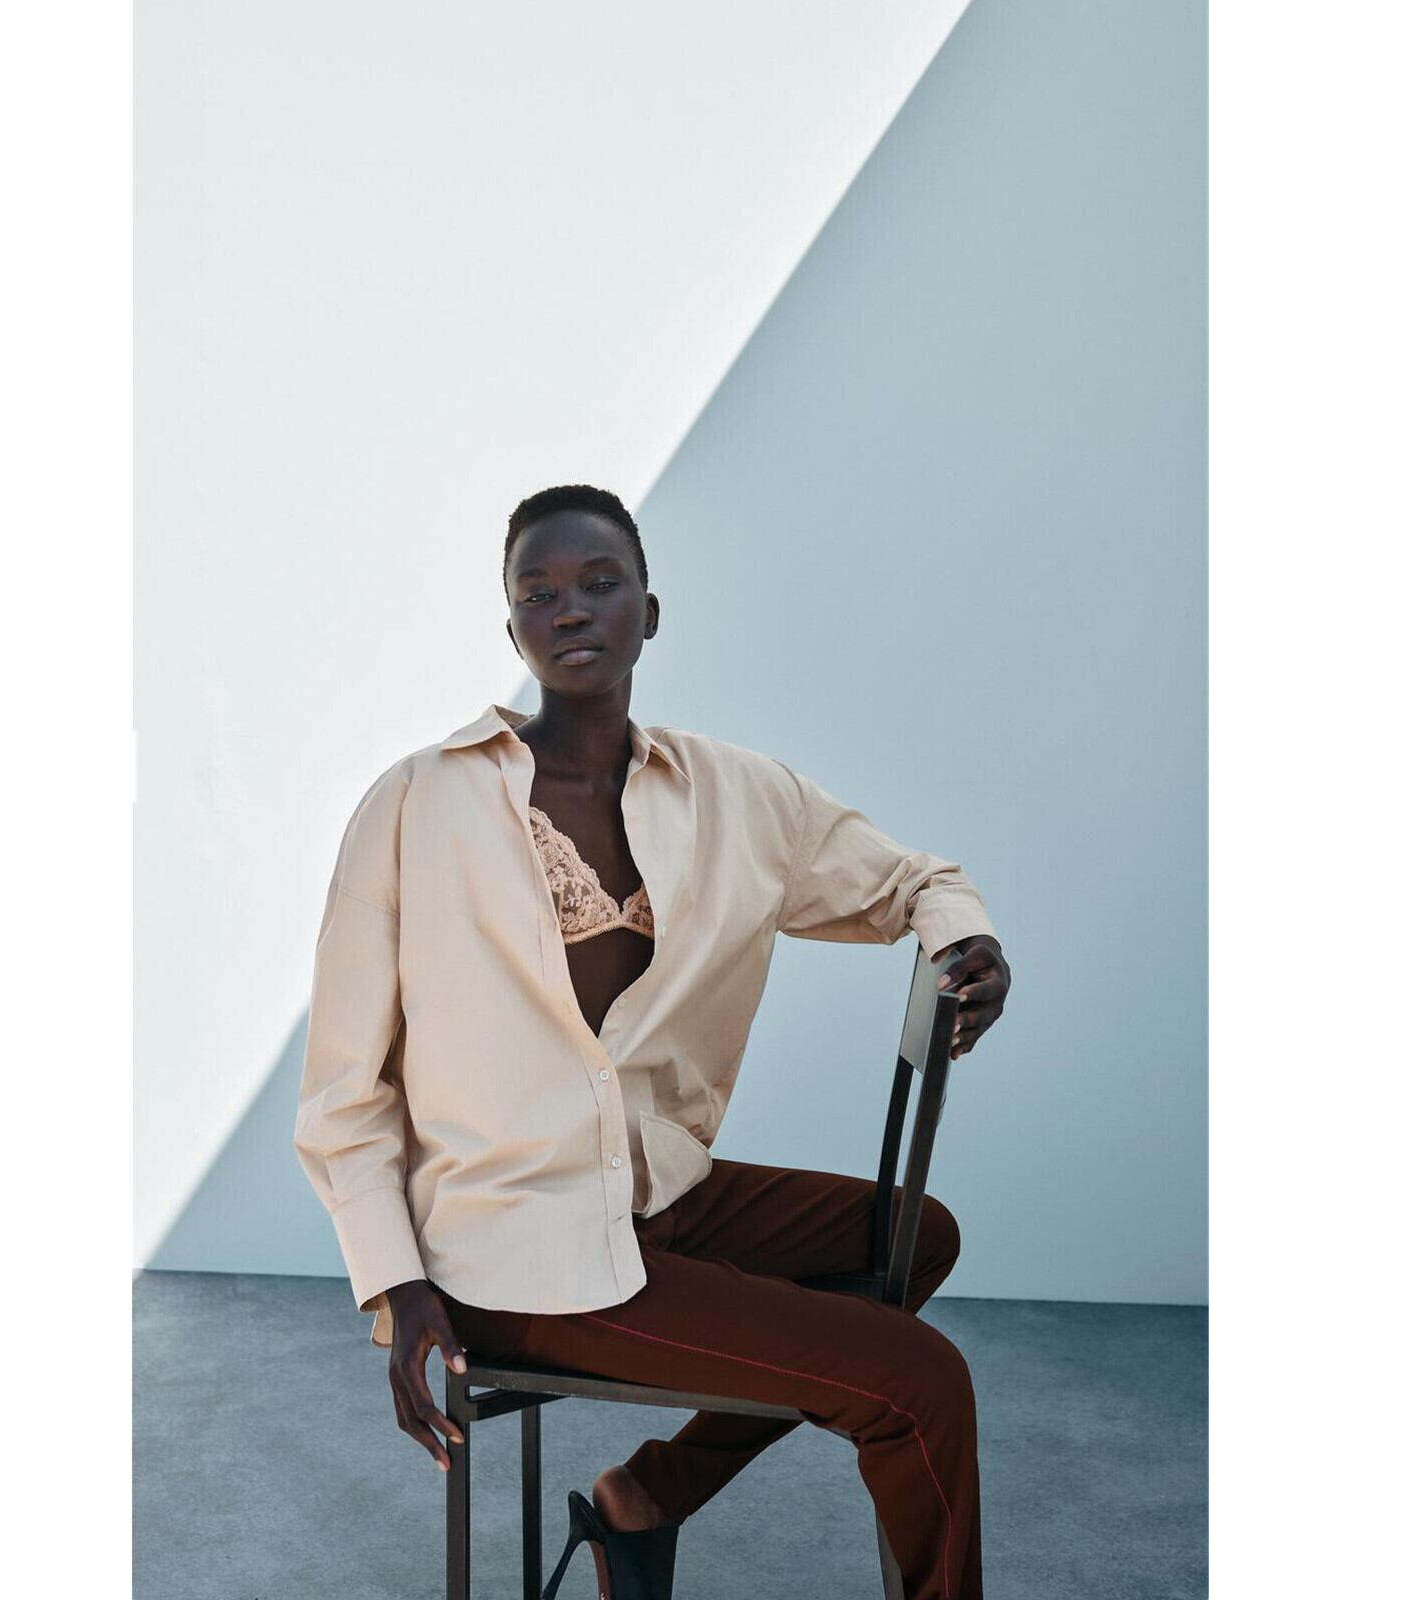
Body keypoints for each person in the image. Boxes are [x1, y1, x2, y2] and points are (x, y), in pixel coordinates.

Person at [293, 484, 1012, 1600]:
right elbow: (343, 1087)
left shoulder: (736, 795)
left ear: (650, 611)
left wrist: (966, 941)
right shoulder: (416, 805)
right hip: (508, 1244)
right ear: (514, 630)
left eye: (600, 583)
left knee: (916, 1238)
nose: (570, 609)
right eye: (538, 594)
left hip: (651, 1193)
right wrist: (397, 1282)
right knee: (916, 1381)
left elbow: (915, 879)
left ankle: (645, 1495)